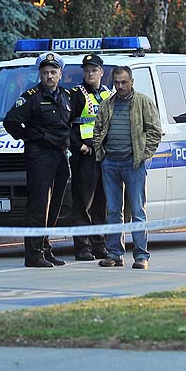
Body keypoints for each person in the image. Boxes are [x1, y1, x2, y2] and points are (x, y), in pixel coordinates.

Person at [3, 51, 74, 268]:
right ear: (40, 75)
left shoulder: (66, 96)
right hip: (40, 156)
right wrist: (32, 137)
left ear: (60, 74)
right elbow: (11, 122)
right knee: (38, 204)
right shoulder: (31, 97)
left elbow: (69, 124)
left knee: (54, 205)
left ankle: (45, 248)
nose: (49, 76)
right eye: (45, 72)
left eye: (53, 72)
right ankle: (33, 254)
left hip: (60, 156)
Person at [93, 66, 163, 270]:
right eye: (116, 82)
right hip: (110, 163)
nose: (120, 86)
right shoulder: (107, 104)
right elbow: (97, 129)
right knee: (113, 210)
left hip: (134, 164)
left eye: (124, 82)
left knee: (137, 211)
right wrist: (101, 153)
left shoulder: (143, 102)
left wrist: (143, 154)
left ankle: (141, 256)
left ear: (132, 82)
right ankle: (114, 253)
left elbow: (155, 131)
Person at [67, 53, 111, 261]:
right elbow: (65, 125)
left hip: (104, 156)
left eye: (94, 70)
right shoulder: (76, 94)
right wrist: (79, 146)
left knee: (101, 202)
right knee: (83, 203)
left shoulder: (108, 93)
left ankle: (99, 245)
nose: (90, 73)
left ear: (101, 72)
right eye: (86, 70)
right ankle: (82, 247)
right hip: (85, 156)